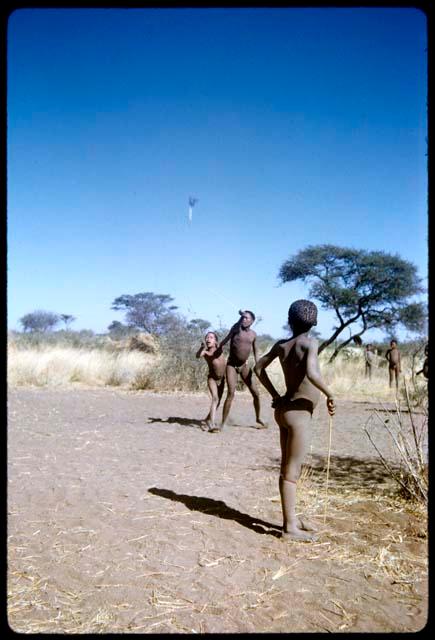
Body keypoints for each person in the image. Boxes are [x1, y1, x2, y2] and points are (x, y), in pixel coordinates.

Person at [254, 300, 335, 542]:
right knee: (291, 473)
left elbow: (258, 368)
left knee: (287, 470)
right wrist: (331, 394)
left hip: (284, 411)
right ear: (316, 321)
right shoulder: (310, 343)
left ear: (289, 320)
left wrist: (275, 395)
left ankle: (292, 518)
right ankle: (289, 528)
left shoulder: (282, 345)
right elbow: (311, 372)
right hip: (299, 415)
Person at [211, 309, 267, 433]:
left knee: (256, 393)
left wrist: (259, 364)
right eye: (243, 317)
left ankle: (258, 418)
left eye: (247, 318)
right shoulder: (236, 328)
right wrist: (241, 314)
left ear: (252, 321)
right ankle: (223, 424)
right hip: (231, 365)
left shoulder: (253, 334)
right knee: (231, 393)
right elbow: (225, 341)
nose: (244, 320)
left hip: (244, 366)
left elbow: (256, 351)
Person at [196, 331, 226, 431]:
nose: (208, 339)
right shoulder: (205, 352)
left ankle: (208, 418)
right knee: (215, 399)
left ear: (215, 341)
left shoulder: (218, 350)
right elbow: (198, 355)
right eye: (207, 337)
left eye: (211, 337)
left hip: (222, 379)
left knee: (218, 401)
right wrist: (202, 347)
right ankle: (212, 424)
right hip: (212, 378)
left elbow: (223, 344)